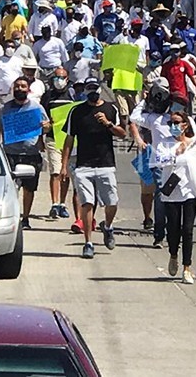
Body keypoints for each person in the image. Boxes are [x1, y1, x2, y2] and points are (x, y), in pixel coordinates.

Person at [130, 78, 196, 248]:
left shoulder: (187, 121)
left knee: (181, 200)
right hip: (161, 166)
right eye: (176, 103)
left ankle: (175, 232)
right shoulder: (155, 119)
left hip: (182, 166)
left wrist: (185, 144)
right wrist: (145, 100)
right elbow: (134, 117)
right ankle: (159, 235)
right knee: (161, 199)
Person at [61, 77, 126, 259]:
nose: (92, 92)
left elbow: (122, 133)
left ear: (99, 90)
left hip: (106, 164)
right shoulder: (77, 111)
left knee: (112, 202)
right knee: (87, 203)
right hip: (84, 166)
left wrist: (108, 124)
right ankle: (88, 243)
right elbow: (69, 139)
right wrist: (64, 165)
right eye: (88, 89)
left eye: (94, 88)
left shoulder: (110, 109)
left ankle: (108, 226)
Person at [0, 77, 51, 230]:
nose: (20, 89)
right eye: (17, 86)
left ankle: (25, 218)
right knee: (11, 188)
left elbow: (46, 128)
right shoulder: (5, 108)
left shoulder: (36, 108)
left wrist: (45, 127)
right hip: (10, 154)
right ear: (13, 89)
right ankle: (12, 216)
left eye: (23, 86)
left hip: (31, 154)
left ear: (28, 90)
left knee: (29, 189)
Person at [156, 111, 196, 284]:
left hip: (189, 193)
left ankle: (187, 267)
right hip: (171, 194)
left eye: (176, 122)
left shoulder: (194, 144)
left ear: (185, 125)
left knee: (187, 230)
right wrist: (176, 153)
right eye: (171, 123)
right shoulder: (164, 144)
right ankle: (173, 254)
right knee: (173, 230)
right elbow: (159, 161)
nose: (173, 126)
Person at [41, 67, 78, 220]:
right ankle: (54, 203)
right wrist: (40, 137)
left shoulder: (72, 95)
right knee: (55, 171)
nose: (59, 80)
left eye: (62, 77)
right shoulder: (47, 96)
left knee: (66, 173)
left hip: (68, 139)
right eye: (56, 77)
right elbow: (41, 117)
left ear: (67, 79)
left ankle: (63, 203)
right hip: (52, 138)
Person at [0, 39, 24, 111]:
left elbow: (22, 76)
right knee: (2, 112)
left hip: (16, 93)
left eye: (12, 47)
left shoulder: (19, 61)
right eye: (8, 46)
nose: (10, 49)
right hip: (2, 92)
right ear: (4, 48)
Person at [160, 43, 194, 111]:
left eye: (176, 51)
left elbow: (191, 76)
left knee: (182, 112)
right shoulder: (166, 65)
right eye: (172, 51)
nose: (174, 53)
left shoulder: (184, 63)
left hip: (182, 93)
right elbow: (162, 79)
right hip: (170, 93)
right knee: (171, 111)